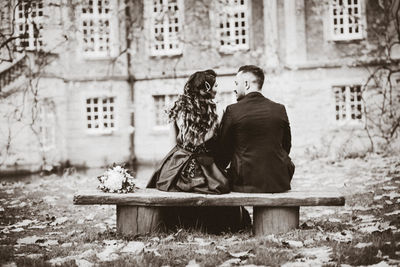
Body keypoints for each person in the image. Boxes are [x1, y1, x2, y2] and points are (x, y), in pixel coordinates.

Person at [147, 69, 250, 233]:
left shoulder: (179, 109)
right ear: (207, 88)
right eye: (215, 85)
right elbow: (207, 142)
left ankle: (174, 225)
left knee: (168, 184)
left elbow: (173, 141)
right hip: (204, 164)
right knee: (217, 186)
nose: (217, 89)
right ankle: (215, 226)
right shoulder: (215, 112)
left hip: (178, 159)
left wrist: (173, 161)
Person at [216, 65, 295, 193]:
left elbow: (223, 152)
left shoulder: (233, 110)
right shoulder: (279, 109)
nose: (234, 89)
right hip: (278, 182)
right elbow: (286, 146)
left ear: (246, 84)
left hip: (244, 182)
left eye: (236, 83)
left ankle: (240, 214)